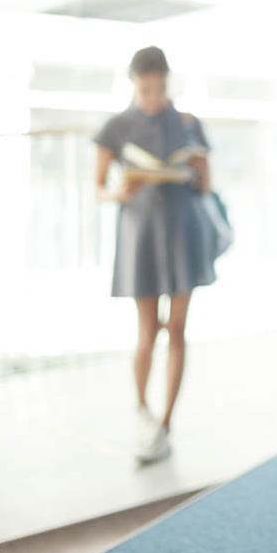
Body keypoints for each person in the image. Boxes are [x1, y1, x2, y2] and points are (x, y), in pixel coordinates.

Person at [93, 46, 219, 465]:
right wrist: (119, 191)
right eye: (145, 88)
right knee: (147, 330)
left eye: (159, 87)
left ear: (167, 82)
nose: (152, 95)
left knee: (178, 329)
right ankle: (142, 410)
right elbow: (98, 188)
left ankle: (167, 422)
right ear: (134, 84)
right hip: (141, 234)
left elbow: (204, 189)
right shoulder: (116, 126)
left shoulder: (188, 123)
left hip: (184, 231)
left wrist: (198, 169)